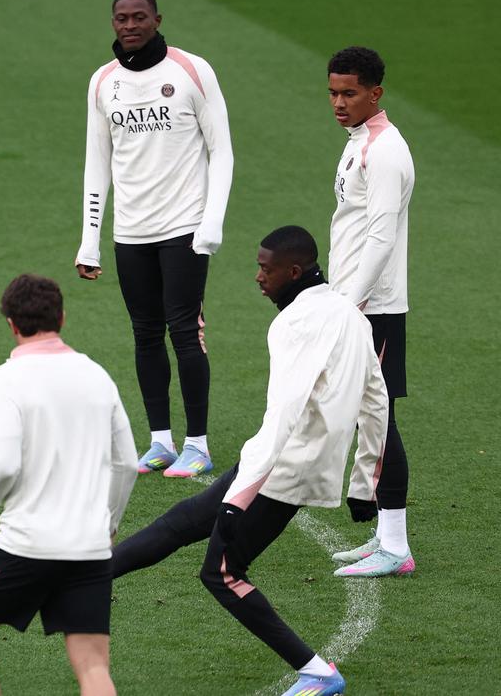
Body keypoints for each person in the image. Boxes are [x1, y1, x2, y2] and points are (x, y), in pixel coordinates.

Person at [110, 226, 388, 696]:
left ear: (293, 272)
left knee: (222, 573)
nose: (258, 277)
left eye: (266, 268)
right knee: (184, 520)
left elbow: (284, 410)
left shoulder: (292, 324)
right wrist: (363, 483)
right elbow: (376, 400)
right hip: (286, 462)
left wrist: (240, 499)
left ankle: (318, 672)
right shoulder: (350, 315)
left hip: (283, 469)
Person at [0, 274, 137, 696]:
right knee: (92, 668)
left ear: (11, 324)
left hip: (28, 545)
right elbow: (127, 463)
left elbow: (6, 462)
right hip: (89, 547)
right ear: (62, 317)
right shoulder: (97, 375)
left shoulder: (4, 378)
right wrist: (107, 525)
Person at [75, 0, 233, 478]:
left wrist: (211, 223)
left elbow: (222, 151)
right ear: (113, 23)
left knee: (185, 333)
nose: (129, 25)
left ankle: (199, 444)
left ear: (157, 19)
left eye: (139, 17)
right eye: (121, 18)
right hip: (132, 232)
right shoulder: (103, 82)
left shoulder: (191, 71)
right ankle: (161, 441)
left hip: (185, 227)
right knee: (145, 334)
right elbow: (96, 164)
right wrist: (90, 239)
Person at [324, 46, 417, 578]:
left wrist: (352, 303)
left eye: (349, 93)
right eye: (333, 93)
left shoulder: (385, 151)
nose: (339, 102)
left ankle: (396, 546)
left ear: (374, 94)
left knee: (381, 422)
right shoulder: (360, 141)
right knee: (369, 416)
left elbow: (381, 235)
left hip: (374, 307)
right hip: (356, 301)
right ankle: (384, 533)